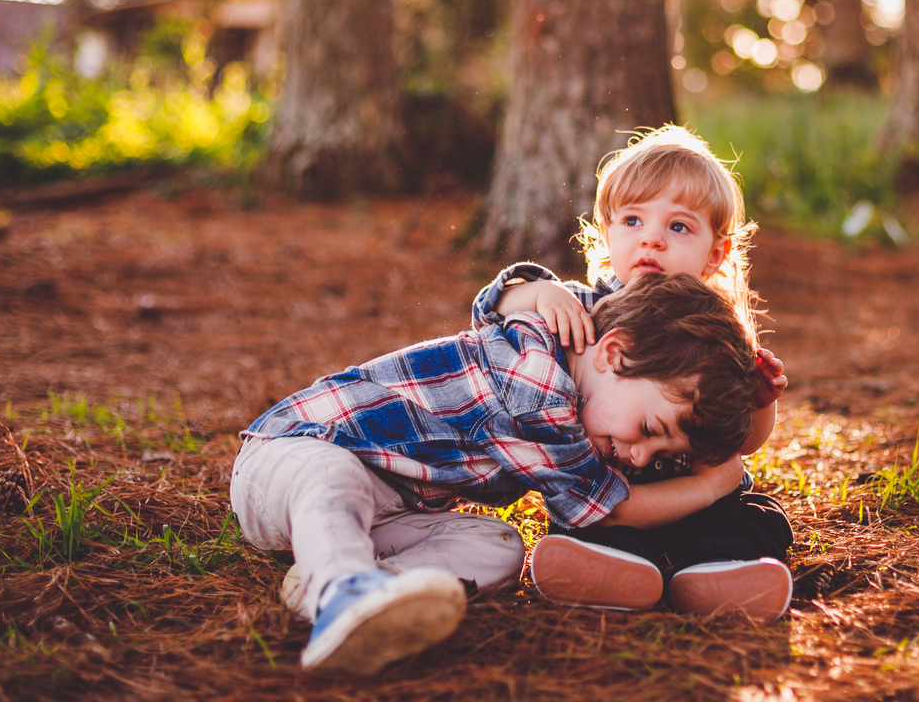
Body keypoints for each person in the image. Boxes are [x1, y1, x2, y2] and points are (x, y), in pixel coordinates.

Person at [230, 272, 759, 675]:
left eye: (663, 449)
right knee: (333, 478)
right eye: (650, 427)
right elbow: (609, 511)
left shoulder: (584, 338)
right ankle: (341, 591)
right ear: (614, 353)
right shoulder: (540, 394)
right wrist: (710, 484)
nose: (642, 457)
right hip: (289, 457)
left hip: (387, 508)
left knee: (501, 548)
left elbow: (522, 295)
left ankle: (353, 587)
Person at [471, 125, 794, 623]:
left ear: (716, 253)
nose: (651, 239)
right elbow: (491, 316)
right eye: (633, 220)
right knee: (587, 527)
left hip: (698, 499)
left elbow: (737, 445)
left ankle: (718, 571)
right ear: (606, 230)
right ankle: (614, 569)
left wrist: (760, 401)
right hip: (605, 495)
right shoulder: (584, 310)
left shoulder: (718, 335)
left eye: (678, 228)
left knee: (754, 516)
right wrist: (536, 294)